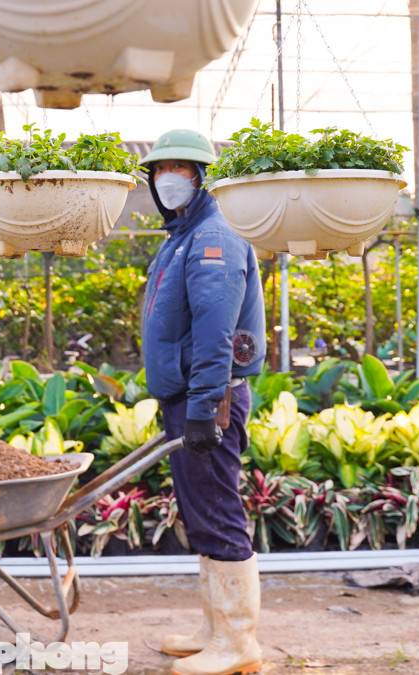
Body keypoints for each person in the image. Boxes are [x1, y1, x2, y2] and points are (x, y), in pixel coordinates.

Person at [139, 129, 267, 675]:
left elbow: (217, 332)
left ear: (202, 177)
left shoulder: (214, 238)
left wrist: (201, 408)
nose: (168, 179)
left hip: (206, 400)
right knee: (201, 512)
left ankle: (238, 645)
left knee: (217, 512)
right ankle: (216, 630)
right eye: (160, 169)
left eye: (181, 169)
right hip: (189, 396)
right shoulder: (184, 236)